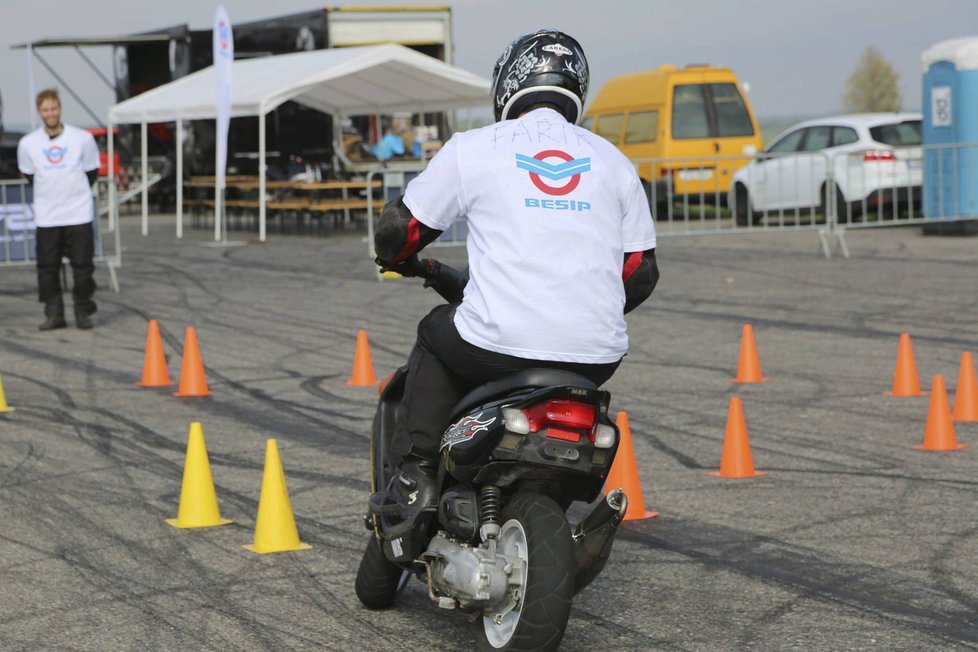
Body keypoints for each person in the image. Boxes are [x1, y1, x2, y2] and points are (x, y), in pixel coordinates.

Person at [371, 30, 659, 534]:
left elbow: (403, 230)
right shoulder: (614, 161)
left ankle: (416, 475)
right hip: (596, 354)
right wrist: (582, 305)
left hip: (497, 343)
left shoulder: (475, 147)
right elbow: (640, 273)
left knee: (434, 331)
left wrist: (393, 254)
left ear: (507, 82)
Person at [17, 88, 100, 330]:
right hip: (47, 216)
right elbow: (30, 176)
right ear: (39, 111)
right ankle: (54, 313)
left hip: (78, 213)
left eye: (53, 108)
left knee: (83, 267)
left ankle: (83, 309)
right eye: (45, 109)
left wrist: (74, 193)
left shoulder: (82, 139)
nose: (50, 113)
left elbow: (91, 172)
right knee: (47, 268)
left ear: (60, 108)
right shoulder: (28, 143)